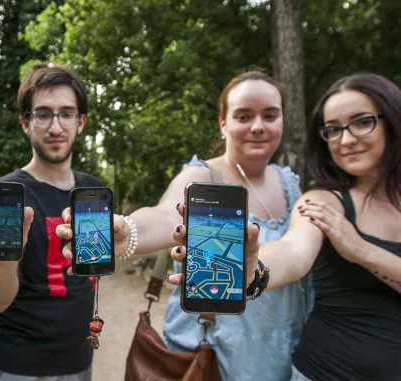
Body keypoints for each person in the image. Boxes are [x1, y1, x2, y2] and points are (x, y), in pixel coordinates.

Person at [57, 70, 313, 380]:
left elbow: (296, 252)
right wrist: (129, 231)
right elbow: (165, 216)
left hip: (281, 349)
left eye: (270, 115)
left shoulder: (290, 184)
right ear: (223, 123)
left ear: (283, 120)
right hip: (210, 357)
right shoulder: (201, 178)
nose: (258, 127)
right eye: (244, 116)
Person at [170, 72, 401, 380]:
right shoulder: (322, 201)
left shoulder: (289, 184)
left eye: (361, 122)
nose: (346, 139)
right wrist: (249, 270)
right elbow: (293, 252)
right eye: (333, 129)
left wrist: (361, 250)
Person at [0, 64, 101, 381]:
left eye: (66, 114)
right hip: (15, 367)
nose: (55, 126)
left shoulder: (92, 192)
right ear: (26, 123)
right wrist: (2, 260)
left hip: (80, 365)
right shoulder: (6, 196)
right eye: (42, 114)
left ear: (81, 122)